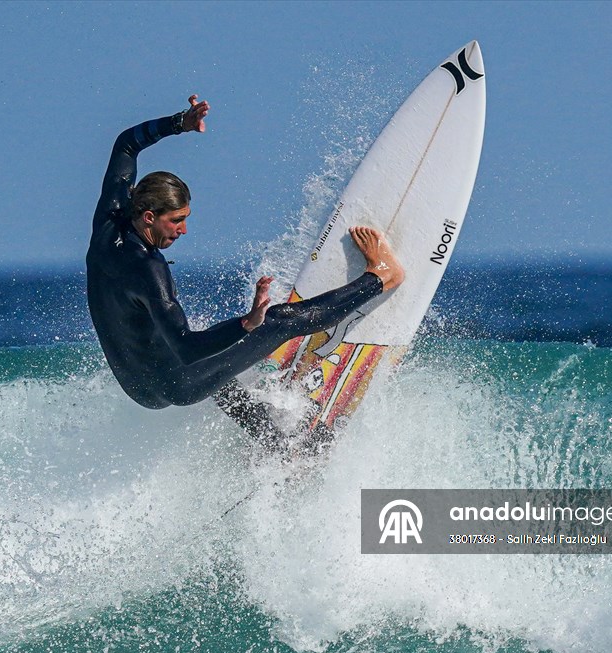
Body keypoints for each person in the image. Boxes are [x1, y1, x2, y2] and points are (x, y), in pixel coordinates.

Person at [86, 95, 403, 446]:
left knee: (220, 370)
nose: (183, 231)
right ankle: (380, 277)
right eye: (176, 221)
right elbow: (187, 350)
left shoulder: (109, 218)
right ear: (149, 217)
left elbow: (127, 144)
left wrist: (179, 123)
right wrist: (247, 323)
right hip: (176, 382)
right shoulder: (148, 271)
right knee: (278, 321)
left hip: (136, 386)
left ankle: (275, 443)